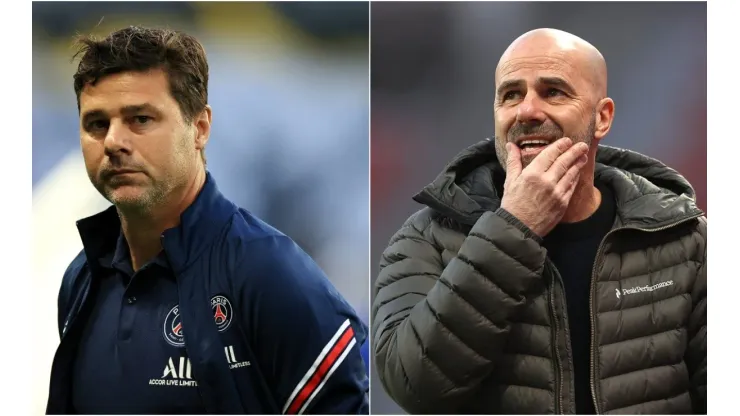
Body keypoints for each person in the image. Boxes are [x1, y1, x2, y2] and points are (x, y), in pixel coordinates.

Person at [372, 28, 706, 414]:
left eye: (553, 92)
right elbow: (413, 386)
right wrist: (513, 227)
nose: (527, 111)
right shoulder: (424, 238)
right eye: (511, 94)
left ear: (602, 117)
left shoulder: (684, 239)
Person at [46, 26, 369, 415]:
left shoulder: (268, 272)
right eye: (97, 124)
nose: (114, 141)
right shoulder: (81, 279)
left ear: (199, 128)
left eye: (141, 119)